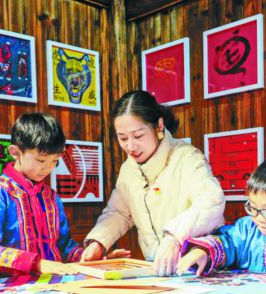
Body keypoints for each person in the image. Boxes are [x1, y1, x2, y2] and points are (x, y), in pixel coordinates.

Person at [81, 90, 225, 275]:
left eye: (138, 136)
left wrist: (174, 238)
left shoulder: (188, 157)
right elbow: (119, 212)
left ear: (158, 126)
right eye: (123, 138)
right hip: (155, 268)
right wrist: (99, 242)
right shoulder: (129, 169)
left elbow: (211, 203)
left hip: (196, 267)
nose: (130, 146)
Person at [0, 113, 123, 274]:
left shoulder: (51, 197)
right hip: (10, 285)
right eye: (41, 160)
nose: (48, 168)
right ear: (15, 152)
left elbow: (63, 246)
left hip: (53, 283)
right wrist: (37, 264)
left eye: (55, 161)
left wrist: (91, 259)